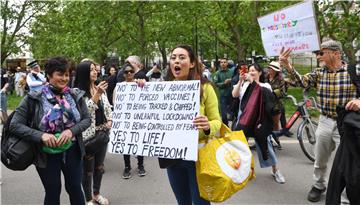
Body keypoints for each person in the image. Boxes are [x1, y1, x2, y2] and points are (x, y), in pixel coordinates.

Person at [279, 39, 359, 202]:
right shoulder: (319, 73)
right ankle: (318, 185)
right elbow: (301, 81)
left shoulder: (353, 71)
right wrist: (287, 65)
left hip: (346, 124)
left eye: (321, 53)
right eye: (317, 53)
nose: (318, 57)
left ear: (336, 53)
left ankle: (345, 195)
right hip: (325, 121)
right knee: (320, 158)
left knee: (347, 163)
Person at [9, 57, 91, 205]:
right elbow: (14, 125)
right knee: (53, 191)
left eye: (67, 74)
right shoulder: (34, 98)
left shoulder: (74, 95)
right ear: (49, 75)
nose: (65, 78)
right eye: (60, 74)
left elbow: (86, 120)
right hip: (45, 154)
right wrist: (42, 136)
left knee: (75, 188)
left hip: (73, 151)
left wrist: (71, 131)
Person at [158, 44, 221, 205]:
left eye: (181, 57)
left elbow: (217, 122)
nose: (176, 61)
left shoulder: (205, 88)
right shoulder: (161, 89)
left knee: (201, 203)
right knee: (182, 202)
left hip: (198, 157)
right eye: (173, 58)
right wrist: (140, 88)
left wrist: (207, 126)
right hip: (172, 155)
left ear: (192, 63)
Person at [232, 63, 286, 184]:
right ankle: (239, 170)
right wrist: (240, 81)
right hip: (244, 118)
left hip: (259, 120)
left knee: (266, 144)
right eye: (249, 70)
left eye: (254, 70)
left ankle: (275, 170)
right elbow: (234, 95)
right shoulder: (244, 84)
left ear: (260, 73)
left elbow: (266, 97)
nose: (251, 72)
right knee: (239, 145)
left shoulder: (264, 85)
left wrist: (253, 82)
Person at [74, 60, 112, 205]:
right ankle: (88, 199)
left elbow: (108, 108)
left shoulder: (99, 88)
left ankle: (97, 194)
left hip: (102, 135)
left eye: (96, 69)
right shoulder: (77, 93)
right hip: (88, 137)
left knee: (99, 167)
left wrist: (110, 120)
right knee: (87, 170)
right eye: (91, 70)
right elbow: (84, 113)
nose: (95, 72)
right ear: (84, 73)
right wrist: (97, 94)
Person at [119, 63, 147, 179]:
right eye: (126, 72)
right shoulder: (120, 86)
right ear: (124, 74)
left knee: (139, 142)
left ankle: (140, 165)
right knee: (126, 143)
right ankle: (127, 167)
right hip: (125, 119)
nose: (129, 73)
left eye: (131, 71)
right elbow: (116, 103)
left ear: (134, 73)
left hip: (138, 119)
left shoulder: (139, 84)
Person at [266, 61, 287, 149]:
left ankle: (277, 141)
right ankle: (266, 141)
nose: (269, 70)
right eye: (269, 68)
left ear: (275, 71)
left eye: (271, 68)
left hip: (276, 105)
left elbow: (283, 93)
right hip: (266, 104)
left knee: (275, 124)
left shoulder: (280, 79)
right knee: (266, 123)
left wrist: (271, 91)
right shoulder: (265, 77)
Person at [213, 57, 233, 126]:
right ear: (220, 64)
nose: (223, 64)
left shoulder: (231, 72)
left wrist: (231, 80)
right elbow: (215, 84)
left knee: (232, 113)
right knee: (224, 115)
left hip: (232, 94)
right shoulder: (217, 73)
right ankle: (226, 127)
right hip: (223, 95)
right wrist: (224, 83)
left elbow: (236, 80)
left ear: (227, 63)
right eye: (222, 62)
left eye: (224, 62)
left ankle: (234, 128)